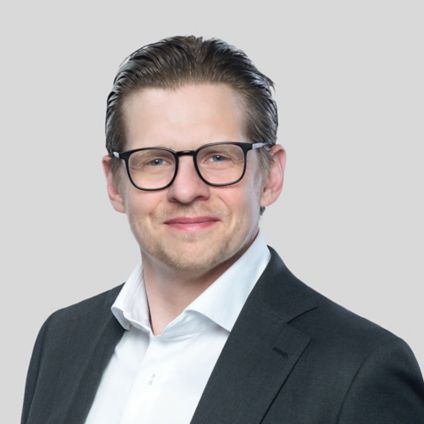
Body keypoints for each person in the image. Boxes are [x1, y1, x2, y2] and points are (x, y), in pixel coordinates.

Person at [21, 35, 424, 424]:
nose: (185, 190)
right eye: (155, 160)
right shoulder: (61, 340)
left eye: (217, 157)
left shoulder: (359, 369)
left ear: (270, 176)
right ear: (114, 184)